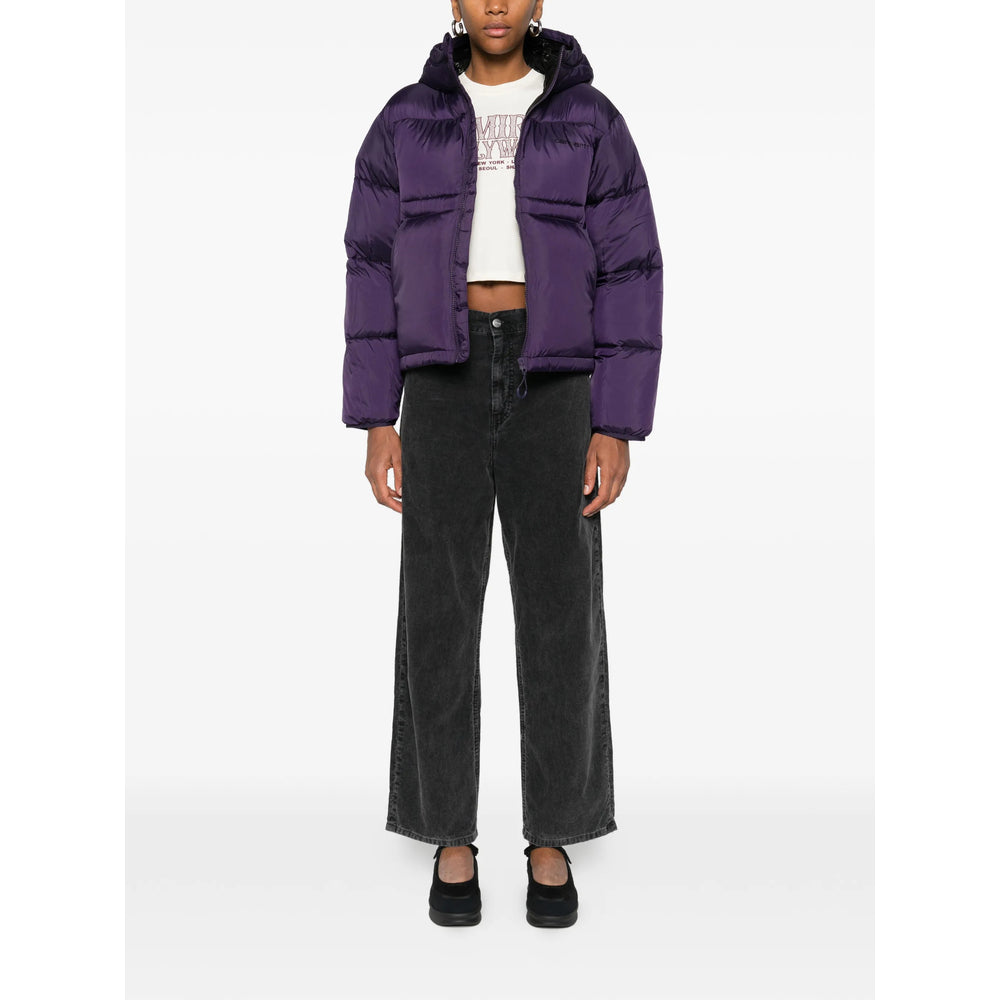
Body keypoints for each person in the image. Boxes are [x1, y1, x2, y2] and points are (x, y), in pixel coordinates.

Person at [341, 3, 662, 928]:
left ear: (539, 2)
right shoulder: (407, 118)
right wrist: (377, 416)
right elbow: (369, 262)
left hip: (555, 377)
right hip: (438, 375)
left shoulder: (589, 119)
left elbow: (632, 266)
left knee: (561, 611)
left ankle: (553, 834)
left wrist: (616, 423)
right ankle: (449, 832)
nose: (494, 3)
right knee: (438, 609)